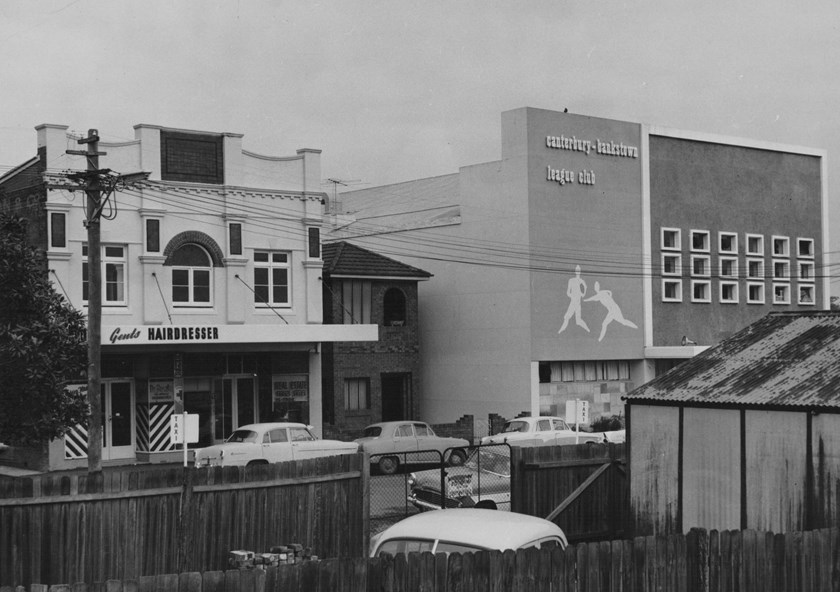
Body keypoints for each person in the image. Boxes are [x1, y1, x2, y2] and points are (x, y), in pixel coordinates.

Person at [558, 265, 590, 334]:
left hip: (578, 303)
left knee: (578, 321)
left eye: (579, 270)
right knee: (566, 318)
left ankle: (588, 330)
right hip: (573, 302)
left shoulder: (582, 281)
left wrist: (585, 288)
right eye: (577, 270)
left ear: (580, 271)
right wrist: (572, 296)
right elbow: (568, 292)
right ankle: (560, 331)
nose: (578, 271)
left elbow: (583, 295)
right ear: (575, 271)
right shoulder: (571, 280)